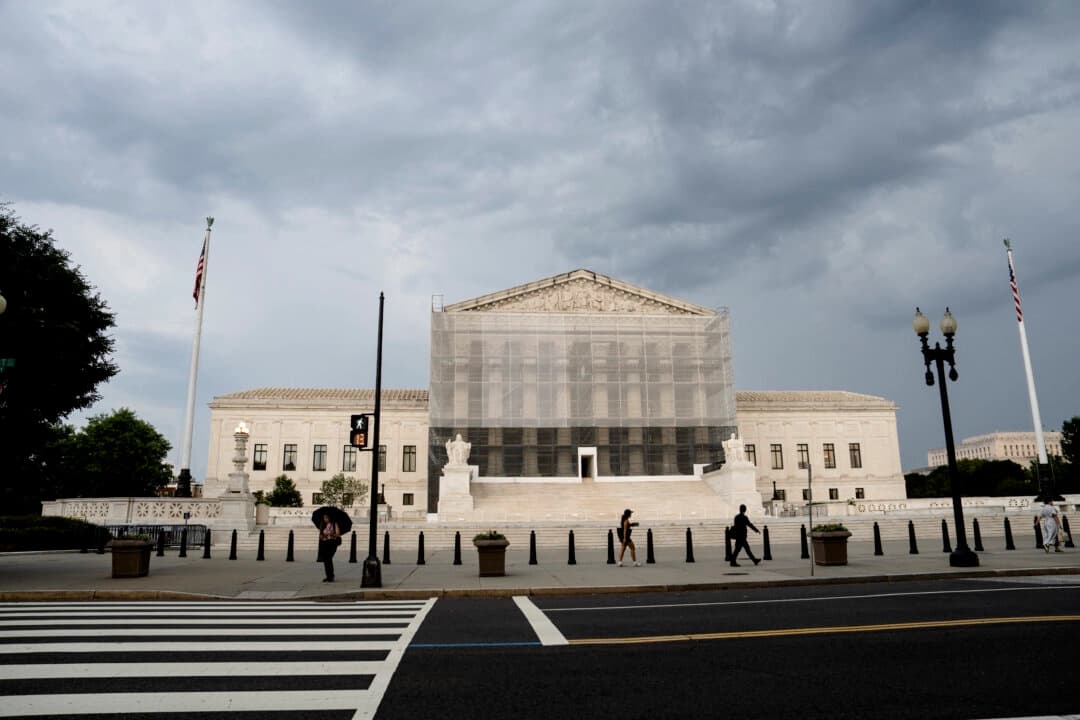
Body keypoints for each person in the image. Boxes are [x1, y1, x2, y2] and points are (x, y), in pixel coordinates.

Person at [318, 513, 341, 581]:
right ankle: (328, 576)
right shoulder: (323, 525)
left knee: (329, 559)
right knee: (326, 560)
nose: (325, 519)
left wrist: (331, 534)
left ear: (329, 518)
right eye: (324, 518)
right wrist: (322, 536)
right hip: (325, 543)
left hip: (332, 543)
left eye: (326, 518)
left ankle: (331, 576)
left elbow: (338, 534)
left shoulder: (334, 524)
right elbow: (321, 535)